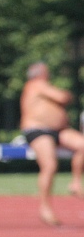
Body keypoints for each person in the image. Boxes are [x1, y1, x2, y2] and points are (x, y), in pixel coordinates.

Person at [19, 61, 84, 226]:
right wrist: (65, 95)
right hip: (38, 130)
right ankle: (45, 207)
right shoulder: (36, 84)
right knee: (49, 165)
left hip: (59, 130)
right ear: (40, 73)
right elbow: (62, 97)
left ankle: (76, 182)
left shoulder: (43, 86)